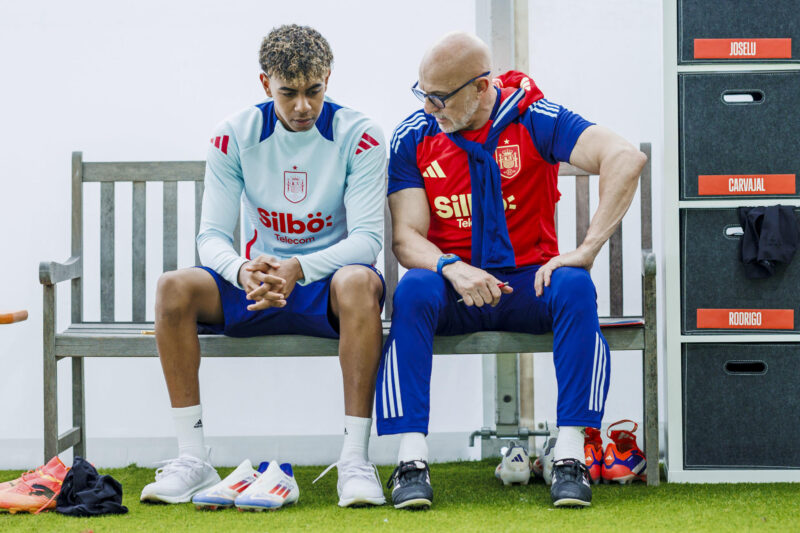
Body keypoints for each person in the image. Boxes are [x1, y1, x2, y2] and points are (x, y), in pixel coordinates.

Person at [378, 32, 646, 509]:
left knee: (574, 284)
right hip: (455, 287)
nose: (429, 106)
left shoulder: (535, 118)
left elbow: (625, 157)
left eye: (440, 96)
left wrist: (585, 249)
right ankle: (410, 460)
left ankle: (569, 455)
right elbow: (406, 239)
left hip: (528, 284)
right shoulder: (414, 133)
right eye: (422, 92)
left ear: (481, 88)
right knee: (414, 288)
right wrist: (451, 266)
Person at [140, 24, 388, 508]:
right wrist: (240, 271)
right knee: (173, 287)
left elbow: (366, 241)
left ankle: (356, 460)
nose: (302, 107)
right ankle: (192, 458)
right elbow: (210, 236)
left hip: (325, 284)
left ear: (328, 79)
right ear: (264, 84)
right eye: (288, 93)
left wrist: (299, 266)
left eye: (314, 91)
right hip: (254, 282)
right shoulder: (234, 135)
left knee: (360, 282)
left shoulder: (361, 135)